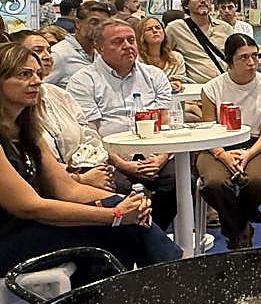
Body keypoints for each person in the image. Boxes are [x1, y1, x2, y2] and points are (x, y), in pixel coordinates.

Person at [0, 43, 179, 280]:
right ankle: (173, 279)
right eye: (24, 75)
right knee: (117, 229)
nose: (36, 81)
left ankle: (134, 296)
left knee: (125, 225)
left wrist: (124, 204)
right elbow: (30, 206)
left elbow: (67, 189)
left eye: (37, 74)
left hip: (31, 227)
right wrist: (115, 214)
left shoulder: (27, 131)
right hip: (8, 238)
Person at [66, 18, 178, 231]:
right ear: (99, 49)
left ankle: (155, 234)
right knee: (116, 189)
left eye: (130, 40)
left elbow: (167, 124)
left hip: (155, 153)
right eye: (118, 42)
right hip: (110, 156)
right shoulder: (83, 81)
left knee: (180, 182)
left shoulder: (155, 76)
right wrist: (122, 164)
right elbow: (91, 136)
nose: (127, 46)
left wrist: (161, 157)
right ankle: (140, 242)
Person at [196, 34, 261, 249]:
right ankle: (241, 230)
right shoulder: (212, 88)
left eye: (255, 56)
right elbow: (208, 130)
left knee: (257, 181)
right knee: (214, 183)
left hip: (255, 145)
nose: (251, 63)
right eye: (243, 58)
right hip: (217, 144)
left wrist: (248, 155)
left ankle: (234, 224)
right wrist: (222, 154)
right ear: (229, 61)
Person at [10, 30, 113, 191]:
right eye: (37, 51)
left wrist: (92, 168)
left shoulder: (60, 95)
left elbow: (87, 135)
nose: (46, 56)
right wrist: (80, 179)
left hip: (84, 172)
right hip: (47, 189)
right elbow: (38, 177)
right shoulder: (15, 114)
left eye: (49, 50)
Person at [165, 0, 233, 84]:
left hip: (225, 85)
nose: (203, 0)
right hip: (196, 90)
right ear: (186, 5)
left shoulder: (226, 28)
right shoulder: (175, 28)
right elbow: (163, 54)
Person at [45, 0, 109, 88]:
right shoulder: (59, 54)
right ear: (78, 24)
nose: (100, 27)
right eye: (94, 22)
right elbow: (42, 88)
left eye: (104, 24)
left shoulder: (100, 54)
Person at [136, 17, 187, 93]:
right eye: (149, 29)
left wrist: (178, 84)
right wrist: (166, 85)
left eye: (158, 28)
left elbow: (182, 82)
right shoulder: (136, 60)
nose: (155, 31)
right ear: (141, 36)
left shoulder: (177, 58)